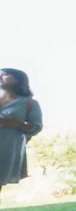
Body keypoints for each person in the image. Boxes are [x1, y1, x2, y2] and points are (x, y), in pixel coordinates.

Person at [0, 69, 43, 201]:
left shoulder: (29, 103)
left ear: (19, 80)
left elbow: (36, 127)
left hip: (5, 151)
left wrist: (18, 124)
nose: (0, 76)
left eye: (5, 74)